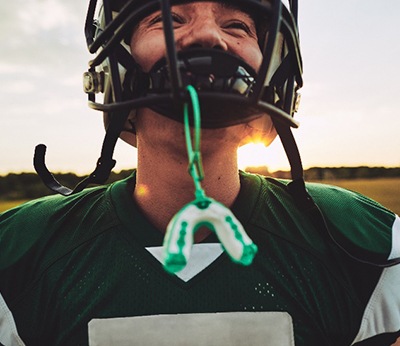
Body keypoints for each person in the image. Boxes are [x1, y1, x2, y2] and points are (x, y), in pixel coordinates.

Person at [0, 0, 399, 345]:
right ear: (116, 67)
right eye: (169, 20)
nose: (209, 36)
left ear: (274, 72)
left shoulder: (364, 243)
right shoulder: (21, 252)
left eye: (236, 25)